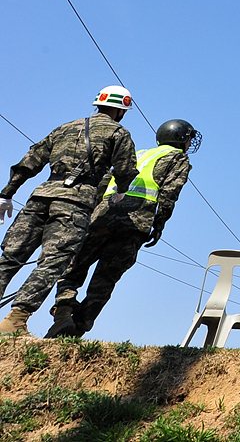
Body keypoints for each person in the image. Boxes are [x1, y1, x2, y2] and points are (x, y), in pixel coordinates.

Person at [0, 86, 139, 335]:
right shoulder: (118, 133)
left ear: (98, 104)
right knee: (53, 261)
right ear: (121, 110)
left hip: (40, 196)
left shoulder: (65, 127)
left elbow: (30, 161)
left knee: (10, 258)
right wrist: (121, 189)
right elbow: (125, 169)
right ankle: (15, 320)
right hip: (74, 204)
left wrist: (6, 194)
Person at [47, 119, 199, 337]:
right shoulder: (178, 158)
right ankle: (76, 329)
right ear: (182, 139)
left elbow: (104, 182)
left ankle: (63, 308)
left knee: (75, 266)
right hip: (135, 222)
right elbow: (169, 193)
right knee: (105, 279)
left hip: (102, 216)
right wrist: (159, 224)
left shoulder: (141, 153)